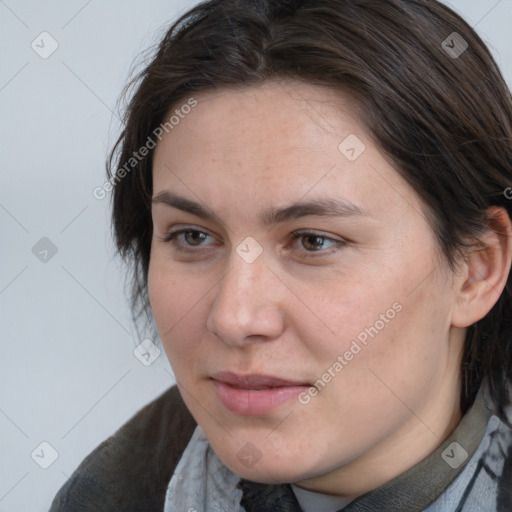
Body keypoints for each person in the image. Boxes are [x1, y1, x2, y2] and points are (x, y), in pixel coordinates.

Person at [50, 0, 512, 510]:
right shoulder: (107, 495)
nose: (233, 317)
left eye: (314, 241)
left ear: (476, 268)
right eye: (193, 237)